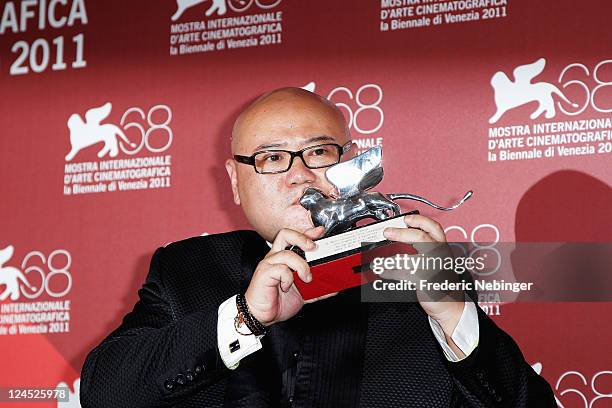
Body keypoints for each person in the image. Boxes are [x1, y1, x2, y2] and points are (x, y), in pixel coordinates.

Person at [80, 87, 556, 407]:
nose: (300, 174)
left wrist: (452, 314)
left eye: (320, 152)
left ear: (351, 163)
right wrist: (245, 316)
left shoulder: (415, 265)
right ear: (235, 181)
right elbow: (104, 391)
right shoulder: (186, 269)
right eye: (271, 158)